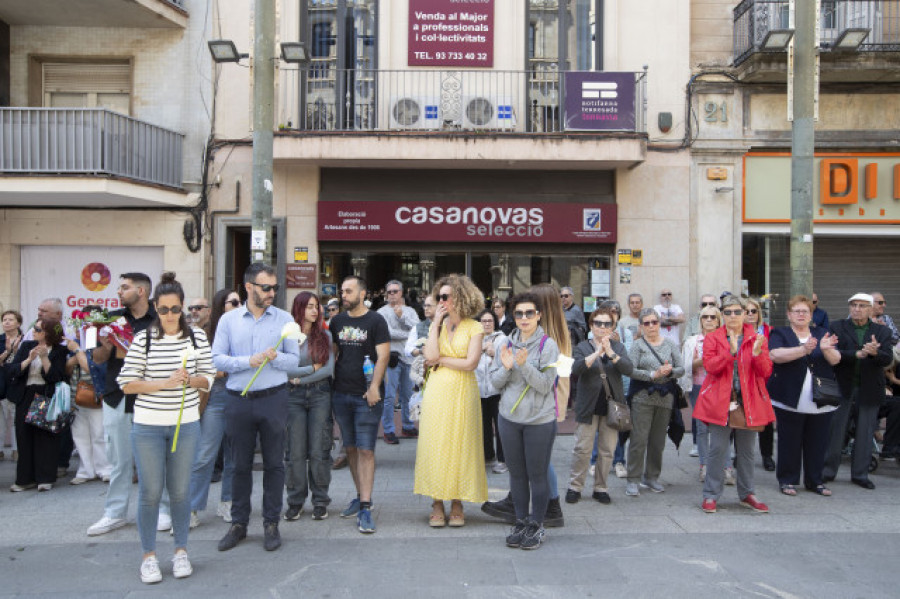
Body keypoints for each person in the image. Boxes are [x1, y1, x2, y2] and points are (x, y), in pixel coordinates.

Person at [117, 272, 215, 583]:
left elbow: (210, 378)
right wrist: (165, 383)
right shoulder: (144, 338)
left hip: (185, 424)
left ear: (183, 307)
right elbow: (126, 384)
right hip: (147, 426)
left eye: (175, 310)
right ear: (155, 308)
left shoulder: (197, 337)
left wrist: (191, 379)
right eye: (163, 310)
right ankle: (148, 556)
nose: (170, 316)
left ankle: (181, 551)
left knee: (181, 491)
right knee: (149, 492)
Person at [213, 263, 301, 552]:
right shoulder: (229, 320)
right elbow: (218, 359)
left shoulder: (285, 319)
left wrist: (274, 358)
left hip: (274, 397)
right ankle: (238, 523)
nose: (272, 292)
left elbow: (294, 361)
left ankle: (271, 523)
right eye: (266, 287)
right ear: (248, 287)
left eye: (275, 287)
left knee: (275, 463)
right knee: (238, 464)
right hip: (238, 398)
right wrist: (247, 361)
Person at [88, 273, 171, 537]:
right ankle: (115, 512)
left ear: (141, 291)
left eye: (124, 287)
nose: (119, 292)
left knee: (156, 457)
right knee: (119, 459)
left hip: (151, 395)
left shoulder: (161, 317)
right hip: (118, 394)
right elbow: (98, 359)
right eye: (119, 288)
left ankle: (161, 509)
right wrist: (104, 345)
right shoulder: (109, 319)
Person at [414, 274, 487, 527]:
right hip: (437, 391)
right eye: (440, 297)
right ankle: (437, 501)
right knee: (436, 443)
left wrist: (442, 361)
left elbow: (470, 363)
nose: (442, 301)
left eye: (447, 296)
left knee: (461, 443)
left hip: (464, 391)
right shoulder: (436, 325)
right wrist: (435, 323)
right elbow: (430, 354)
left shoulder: (474, 326)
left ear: (461, 297)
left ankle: (457, 501)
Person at [490, 292, 559, 550]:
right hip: (509, 417)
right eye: (519, 313)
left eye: (529, 313)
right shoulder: (505, 343)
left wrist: (524, 366)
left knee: (537, 474)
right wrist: (507, 367)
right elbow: (495, 384)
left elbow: (544, 385)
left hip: (539, 420)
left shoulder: (547, 346)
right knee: (517, 474)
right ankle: (521, 521)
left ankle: (536, 525)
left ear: (539, 315)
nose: (524, 318)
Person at [693, 295, 774, 514]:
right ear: (722, 315)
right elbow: (710, 367)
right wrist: (730, 351)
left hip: (748, 401)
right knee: (717, 449)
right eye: (727, 312)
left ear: (745, 314)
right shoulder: (714, 338)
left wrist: (757, 354)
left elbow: (766, 371)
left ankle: (747, 493)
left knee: (747, 451)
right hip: (721, 401)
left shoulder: (756, 338)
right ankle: (711, 495)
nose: (733, 316)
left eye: (738, 312)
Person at [329, 275, 390, 534]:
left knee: (366, 450)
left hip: (367, 396)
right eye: (343, 291)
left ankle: (365, 506)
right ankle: (359, 495)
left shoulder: (376, 320)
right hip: (341, 394)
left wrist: (374, 386)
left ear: (362, 294)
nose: (344, 295)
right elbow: (333, 352)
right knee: (351, 448)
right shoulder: (337, 321)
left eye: (349, 291)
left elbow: (383, 355)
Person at [768, 295, 841, 497]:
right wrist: (803, 349)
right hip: (790, 397)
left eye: (805, 311)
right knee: (788, 441)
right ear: (789, 314)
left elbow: (836, 360)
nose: (801, 314)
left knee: (818, 442)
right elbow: (775, 355)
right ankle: (787, 480)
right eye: (797, 311)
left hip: (821, 397)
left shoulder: (823, 332)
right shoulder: (779, 333)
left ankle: (815, 481)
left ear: (811, 315)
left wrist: (826, 350)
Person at [823, 293, 893, 489]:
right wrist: (857, 354)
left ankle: (860, 474)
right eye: (854, 305)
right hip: (842, 386)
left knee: (865, 431)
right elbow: (831, 353)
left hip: (870, 388)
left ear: (871, 309)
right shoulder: (837, 327)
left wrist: (875, 353)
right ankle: (828, 470)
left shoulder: (882, 332)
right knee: (836, 430)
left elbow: (887, 359)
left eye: (862, 306)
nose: (857, 309)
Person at [566, 306, 633, 505]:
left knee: (607, 450)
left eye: (607, 324)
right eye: (598, 323)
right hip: (588, 406)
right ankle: (575, 486)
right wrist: (597, 353)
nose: (602, 327)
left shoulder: (618, 347)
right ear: (591, 325)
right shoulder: (583, 347)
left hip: (612, 407)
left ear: (612, 327)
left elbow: (628, 368)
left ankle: (600, 488)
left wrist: (610, 352)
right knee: (582, 449)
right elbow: (576, 368)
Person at [187, 288, 242, 527]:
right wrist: (233, 366)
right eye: (234, 302)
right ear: (222, 306)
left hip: (241, 395)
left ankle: (227, 502)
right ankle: (191, 508)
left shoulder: (243, 330)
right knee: (205, 454)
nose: (240, 305)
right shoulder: (205, 335)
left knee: (235, 455)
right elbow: (204, 368)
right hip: (217, 396)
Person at [283, 292, 335, 522]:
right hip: (292, 396)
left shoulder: (325, 335)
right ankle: (295, 501)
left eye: (317, 307)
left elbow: (327, 369)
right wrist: (309, 370)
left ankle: (320, 501)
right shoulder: (287, 336)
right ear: (299, 308)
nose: (315, 311)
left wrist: (299, 377)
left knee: (319, 449)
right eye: (310, 306)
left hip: (320, 394)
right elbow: (283, 368)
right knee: (294, 451)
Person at [624, 308, 685, 497]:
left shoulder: (670, 344)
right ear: (641, 326)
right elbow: (630, 370)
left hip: (665, 397)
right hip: (642, 397)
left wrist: (670, 371)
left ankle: (651, 477)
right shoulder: (637, 345)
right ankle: (633, 478)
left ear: (659, 324)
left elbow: (681, 368)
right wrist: (652, 375)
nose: (651, 326)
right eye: (647, 323)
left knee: (658, 441)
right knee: (639, 439)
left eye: (655, 322)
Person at [7, 317, 68, 491]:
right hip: (26, 393)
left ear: (48, 333)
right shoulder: (27, 346)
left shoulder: (58, 350)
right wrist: (28, 359)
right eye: (34, 328)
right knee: (23, 435)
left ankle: (45, 478)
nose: (34, 331)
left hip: (44, 393)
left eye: (38, 329)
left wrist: (44, 358)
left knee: (44, 437)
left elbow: (56, 376)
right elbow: (13, 370)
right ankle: (25, 479)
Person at [680, 304, 722, 481]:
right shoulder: (693, 341)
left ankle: (725, 466)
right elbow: (685, 366)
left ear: (719, 320)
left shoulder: (726, 340)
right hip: (699, 387)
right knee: (702, 428)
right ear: (700, 321)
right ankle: (704, 465)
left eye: (713, 317)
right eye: (705, 317)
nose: (709, 320)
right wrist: (702, 361)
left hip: (721, 387)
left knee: (722, 429)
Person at [377, 280, 420, 443]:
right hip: (391, 358)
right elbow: (388, 333)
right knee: (389, 396)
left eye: (395, 291)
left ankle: (408, 426)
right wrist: (409, 333)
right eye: (389, 292)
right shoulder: (381, 312)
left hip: (409, 358)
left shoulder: (409, 311)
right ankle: (388, 430)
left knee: (408, 396)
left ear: (401, 293)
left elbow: (418, 330)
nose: (392, 294)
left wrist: (403, 319)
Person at [67, 335, 111, 485]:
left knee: (99, 434)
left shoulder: (100, 345)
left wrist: (78, 352)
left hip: (95, 397)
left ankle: (105, 469)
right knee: (80, 436)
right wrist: (73, 358)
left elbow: (90, 368)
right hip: (76, 397)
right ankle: (86, 470)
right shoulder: (73, 345)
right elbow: (66, 369)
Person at [745, 296, 775, 472]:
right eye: (746, 311)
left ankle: (767, 455)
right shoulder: (738, 331)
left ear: (759, 314)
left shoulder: (768, 331)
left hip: (765, 380)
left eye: (753, 311)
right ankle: (737, 455)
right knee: (740, 418)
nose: (750, 314)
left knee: (766, 420)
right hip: (744, 379)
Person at [476, 308, 506, 474]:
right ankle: (488, 455)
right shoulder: (474, 339)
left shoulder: (502, 339)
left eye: (489, 321)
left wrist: (494, 353)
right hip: (480, 389)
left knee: (500, 426)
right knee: (483, 425)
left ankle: (503, 459)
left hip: (497, 389)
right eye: (483, 321)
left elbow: (509, 362)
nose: (486, 324)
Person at [1, 310, 24, 462]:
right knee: (1, 420)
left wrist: (16, 351)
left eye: (10, 319)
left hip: (18, 382)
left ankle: (17, 449)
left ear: (18, 323)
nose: (7, 322)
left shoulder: (25, 339)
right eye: (4, 320)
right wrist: (7, 352)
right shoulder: (0, 340)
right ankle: (1, 450)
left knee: (17, 418)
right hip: (1, 382)